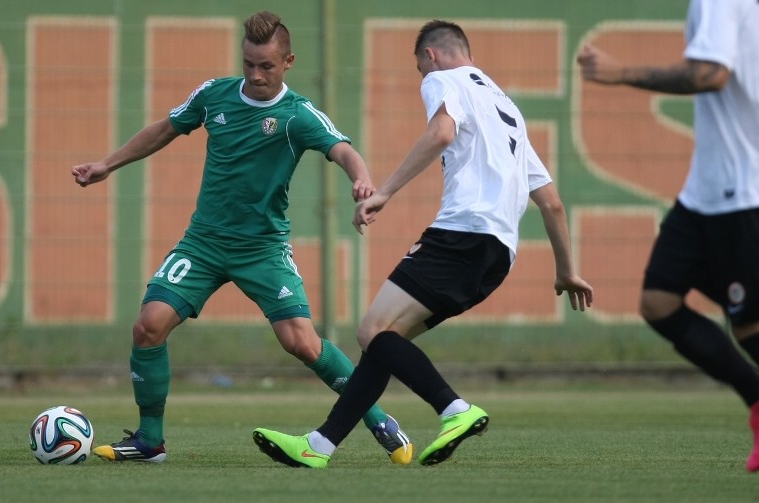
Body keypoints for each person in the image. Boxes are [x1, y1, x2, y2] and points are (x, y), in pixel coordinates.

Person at [71, 11, 412, 464]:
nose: (255, 75)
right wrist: (106, 165)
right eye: (249, 64)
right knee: (148, 326)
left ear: (287, 61)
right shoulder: (215, 95)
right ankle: (150, 441)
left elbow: (343, 149)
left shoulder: (297, 115)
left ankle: (379, 418)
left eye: (266, 66)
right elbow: (164, 129)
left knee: (302, 343)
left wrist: (363, 182)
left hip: (263, 248)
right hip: (204, 243)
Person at [252, 19, 593, 468]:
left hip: (462, 232)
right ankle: (320, 445)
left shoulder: (442, 78)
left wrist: (385, 192)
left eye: (419, 69)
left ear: (430, 56)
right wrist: (566, 270)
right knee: (383, 340)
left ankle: (454, 409)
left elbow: (442, 133)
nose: (423, 79)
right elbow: (551, 204)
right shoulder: (505, 107)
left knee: (372, 331)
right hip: (497, 254)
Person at [576, 0, 759, 473]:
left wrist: (620, 73)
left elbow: (710, 74)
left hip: (741, 190)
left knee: (747, 325)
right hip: (706, 190)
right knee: (659, 301)